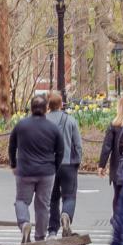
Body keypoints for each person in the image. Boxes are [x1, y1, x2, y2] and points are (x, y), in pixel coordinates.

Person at [7, 94, 64, 242]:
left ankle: (24, 223)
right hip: (47, 171)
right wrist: (54, 167)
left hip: (25, 170)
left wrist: (13, 164)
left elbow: (12, 146)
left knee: (21, 201)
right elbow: (60, 151)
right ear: (46, 109)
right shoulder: (53, 128)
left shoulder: (21, 125)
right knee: (43, 205)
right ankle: (40, 236)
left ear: (31, 108)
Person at [45, 91, 85, 236]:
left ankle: (52, 230)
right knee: (69, 196)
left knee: (53, 198)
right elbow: (78, 144)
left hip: (50, 165)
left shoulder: (43, 121)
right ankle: (66, 215)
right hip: (69, 164)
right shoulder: (70, 120)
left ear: (48, 105)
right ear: (61, 104)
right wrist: (78, 160)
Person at [98, 94, 123, 220]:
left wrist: (101, 165)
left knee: (118, 195)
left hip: (117, 166)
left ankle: (118, 219)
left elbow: (106, 147)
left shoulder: (114, 125)